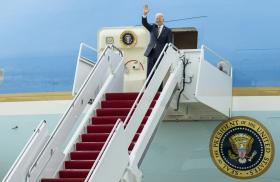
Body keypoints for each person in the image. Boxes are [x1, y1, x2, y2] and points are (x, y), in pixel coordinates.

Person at [142, 5, 172, 91]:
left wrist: (167, 54)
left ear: (163, 19)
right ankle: (148, 89)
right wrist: (145, 14)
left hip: (161, 53)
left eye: (159, 18)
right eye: (156, 18)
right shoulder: (152, 28)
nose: (157, 20)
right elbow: (144, 23)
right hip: (151, 52)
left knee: (159, 72)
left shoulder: (168, 30)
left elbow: (169, 43)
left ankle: (159, 90)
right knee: (150, 71)